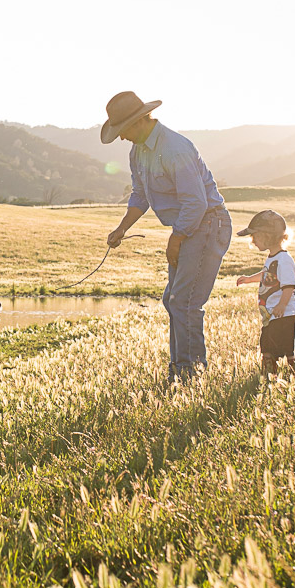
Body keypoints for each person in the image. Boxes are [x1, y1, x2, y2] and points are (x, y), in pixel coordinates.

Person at [101, 90, 232, 382]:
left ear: (137, 122)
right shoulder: (138, 151)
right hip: (189, 227)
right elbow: (140, 194)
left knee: (184, 301)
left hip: (208, 225)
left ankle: (190, 374)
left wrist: (176, 237)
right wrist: (123, 227)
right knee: (173, 299)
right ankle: (180, 369)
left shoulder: (174, 148)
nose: (121, 138)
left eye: (122, 131)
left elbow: (196, 203)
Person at [234, 209, 295, 377]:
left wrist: (282, 305)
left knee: (283, 346)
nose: (253, 241)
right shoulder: (273, 258)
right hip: (272, 313)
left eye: (254, 237)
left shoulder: (284, 260)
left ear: (267, 236)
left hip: (283, 314)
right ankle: (270, 372)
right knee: (267, 344)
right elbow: (267, 275)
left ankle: (291, 373)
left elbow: (288, 286)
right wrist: (249, 279)